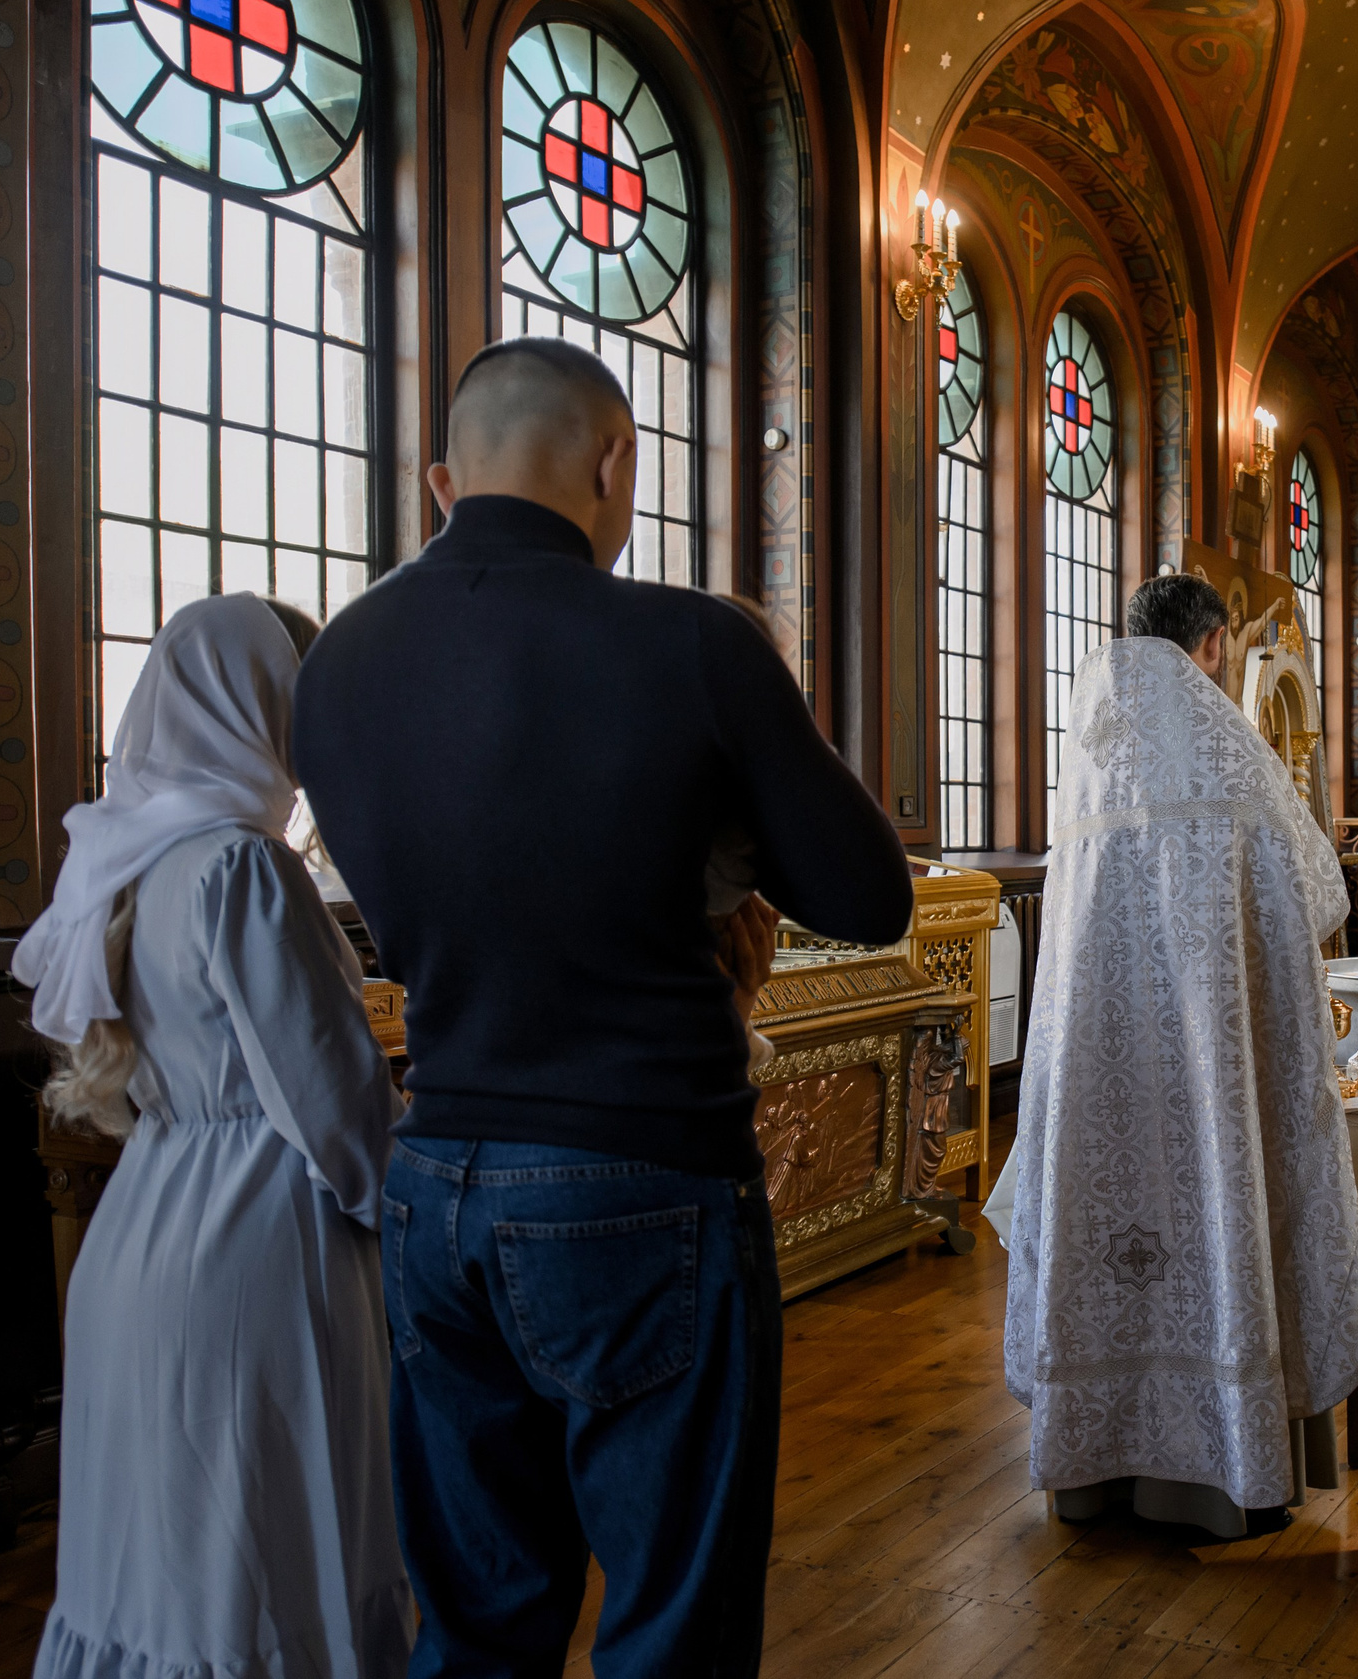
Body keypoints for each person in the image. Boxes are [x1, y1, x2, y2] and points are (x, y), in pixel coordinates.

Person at [293, 337, 914, 1676]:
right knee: (671, 1626)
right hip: (638, 1172)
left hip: (433, 1177)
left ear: (443, 479)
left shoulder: (338, 659)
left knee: (475, 1626)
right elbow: (871, 896)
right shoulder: (689, 640)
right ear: (615, 459)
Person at [16, 593, 410, 1679]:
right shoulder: (243, 867)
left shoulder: (128, 863)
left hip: (141, 1234)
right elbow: (333, 1104)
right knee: (268, 1567)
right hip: (261, 1245)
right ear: (261, 707)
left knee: (161, 1577)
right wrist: (417, 1213)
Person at [989, 571, 1358, 1542]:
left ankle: (1094, 1475)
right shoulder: (1228, 747)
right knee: (1220, 1210)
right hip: (1212, 1072)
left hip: (1099, 1078)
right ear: (1209, 644)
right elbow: (1319, 896)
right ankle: (1228, 1464)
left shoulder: (1090, 749)